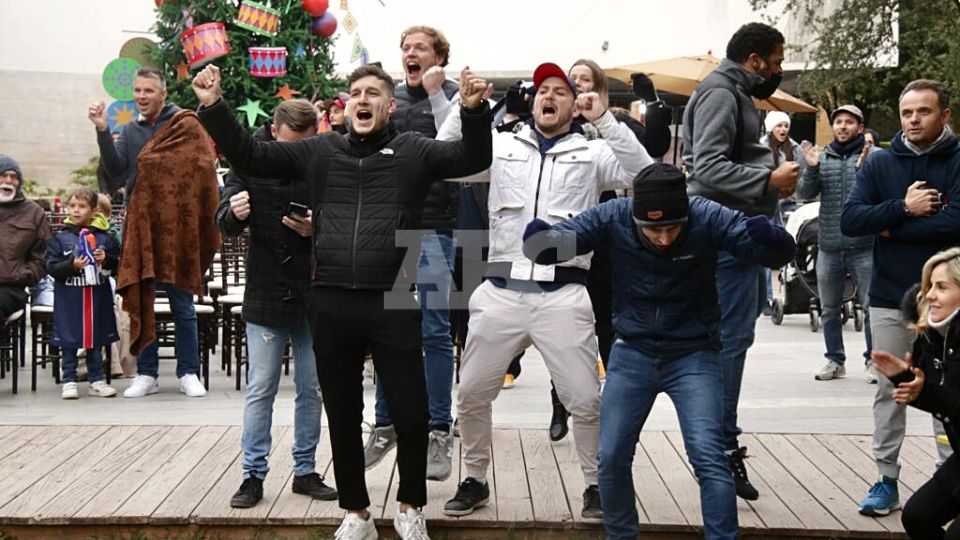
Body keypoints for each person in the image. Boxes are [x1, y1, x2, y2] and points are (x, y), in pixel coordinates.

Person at [193, 62, 492, 540]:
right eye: (355, 92)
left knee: (412, 412)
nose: (363, 99)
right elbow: (251, 155)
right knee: (343, 411)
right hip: (331, 298)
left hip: (393, 297)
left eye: (374, 93)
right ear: (345, 104)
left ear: (389, 105)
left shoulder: (413, 150)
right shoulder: (321, 150)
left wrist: (474, 111)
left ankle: (411, 505)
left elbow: (469, 159)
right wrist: (213, 104)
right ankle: (356, 513)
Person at [521, 163, 796, 540]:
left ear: (686, 215)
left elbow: (770, 252)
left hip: (694, 354)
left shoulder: (707, 215)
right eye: (653, 229)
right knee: (612, 456)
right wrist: (542, 243)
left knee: (709, 457)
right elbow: (562, 241)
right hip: (632, 351)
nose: (664, 238)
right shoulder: (615, 216)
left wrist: (774, 240)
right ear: (636, 218)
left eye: (672, 227)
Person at [440, 62, 653, 519]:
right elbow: (442, 160)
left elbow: (645, 175)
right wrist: (465, 107)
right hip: (500, 291)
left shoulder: (592, 152)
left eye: (560, 91)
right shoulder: (499, 145)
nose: (549, 96)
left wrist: (605, 121)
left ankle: (596, 485)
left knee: (584, 398)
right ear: (533, 100)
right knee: (472, 393)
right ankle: (474, 478)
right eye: (542, 91)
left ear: (575, 105)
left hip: (564, 294)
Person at [681, 22, 797, 501]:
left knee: (735, 339)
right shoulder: (720, 93)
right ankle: (718, 450)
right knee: (729, 342)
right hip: (725, 235)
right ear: (755, 61)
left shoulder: (732, 91)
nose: (779, 70)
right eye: (776, 62)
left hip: (737, 236)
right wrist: (768, 180)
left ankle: (718, 445)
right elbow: (705, 167)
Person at [841, 78, 959, 516]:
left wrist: (891, 229)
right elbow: (851, 220)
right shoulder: (880, 163)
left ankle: (952, 479)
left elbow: (957, 222)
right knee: (892, 389)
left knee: (948, 389)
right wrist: (902, 209)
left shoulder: (958, 159)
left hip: (949, 303)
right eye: (907, 112)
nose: (913, 119)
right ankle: (885, 479)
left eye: (923, 112)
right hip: (889, 294)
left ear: (944, 116)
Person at [217, 99, 337, 509]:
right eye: (290, 145)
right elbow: (223, 217)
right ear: (273, 132)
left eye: (303, 146)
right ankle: (252, 475)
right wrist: (234, 213)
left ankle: (305, 471)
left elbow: (346, 217)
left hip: (313, 290)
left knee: (312, 388)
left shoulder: (322, 159)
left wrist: (317, 228)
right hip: (267, 287)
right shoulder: (249, 157)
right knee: (261, 387)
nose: (295, 156)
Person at [364, 25, 462, 483]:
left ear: (439, 55)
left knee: (436, 331)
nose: (410, 53)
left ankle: (438, 428)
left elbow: (459, 151)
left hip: (438, 229)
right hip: (392, 232)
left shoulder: (456, 96)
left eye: (420, 47)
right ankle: (385, 425)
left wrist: (442, 91)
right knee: (391, 328)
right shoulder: (390, 99)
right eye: (405, 48)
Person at [88, 66, 207, 399]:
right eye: (137, 91)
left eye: (148, 91)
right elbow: (115, 171)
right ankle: (147, 373)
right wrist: (102, 131)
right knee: (143, 300)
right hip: (141, 225)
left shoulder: (182, 124)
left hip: (177, 227)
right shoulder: (130, 130)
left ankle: (188, 372)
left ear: (163, 93)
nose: (141, 96)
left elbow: (200, 168)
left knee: (182, 303)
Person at [871, 248, 960, 539]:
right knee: (917, 518)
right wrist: (906, 380)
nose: (930, 295)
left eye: (942, 287)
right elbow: (940, 397)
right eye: (929, 286)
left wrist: (926, 390)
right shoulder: (933, 334)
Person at [797, 104, 878, 382]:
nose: (842, 126)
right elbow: (804, 194)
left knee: (871, 307)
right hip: (829, 245)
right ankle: (834, 360)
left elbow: (882, 194)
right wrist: (810, 168)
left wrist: (866, 170)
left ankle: (874, 361)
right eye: (838, 122)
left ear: (860, 127)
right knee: (829, 309)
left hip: (865, 246)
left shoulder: (873, 156)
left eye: (849, 122)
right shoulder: (823, 157)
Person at [45, 187, 120, 399]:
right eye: (73, 206)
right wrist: (72, 264)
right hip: (70, 299)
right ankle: (68, 380)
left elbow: (119, 266)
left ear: (94, 210)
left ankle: (96, 379)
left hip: (97, 297)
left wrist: (106, 258)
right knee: (69, 339)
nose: (76, 210)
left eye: (82, 206)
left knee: (95, 339)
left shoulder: (106, 238)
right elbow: (51, 267)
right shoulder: (60, 238)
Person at [0, 154, 49, 322]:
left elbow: (42, 258)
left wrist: (22, 274)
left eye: (14, 177)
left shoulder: (34, 212)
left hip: (11, 287)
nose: (8, 180)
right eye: (3, 175)